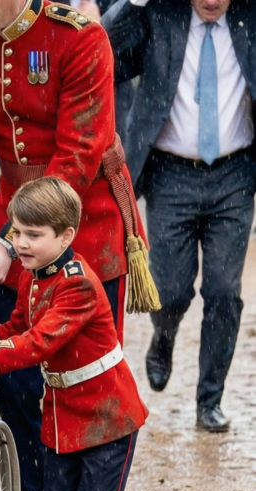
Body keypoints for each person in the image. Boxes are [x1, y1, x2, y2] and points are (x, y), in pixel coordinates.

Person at [0, 0, 155, 491]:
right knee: (17, 388)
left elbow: (78, 156)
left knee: (83, 388)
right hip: (17, 237)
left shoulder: (81, 37)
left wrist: (5, 241)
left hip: (84, 230)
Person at [0, 177, 148, 491]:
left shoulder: (77, 285)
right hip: (62, 420)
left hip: (106, 417)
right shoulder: (35, 276)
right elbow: (15, 328)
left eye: (34, 235)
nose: (21, 244)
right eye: (17, 233)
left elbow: (36, 344)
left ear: (66, 236)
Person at [102, 0, 255, 432]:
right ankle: (163, 338)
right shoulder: (160, 14)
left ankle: (211, 398)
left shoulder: (250, 16)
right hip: (170, 174)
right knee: (169, 291)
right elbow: (104, 53)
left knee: (225, 293)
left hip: (235, 173)